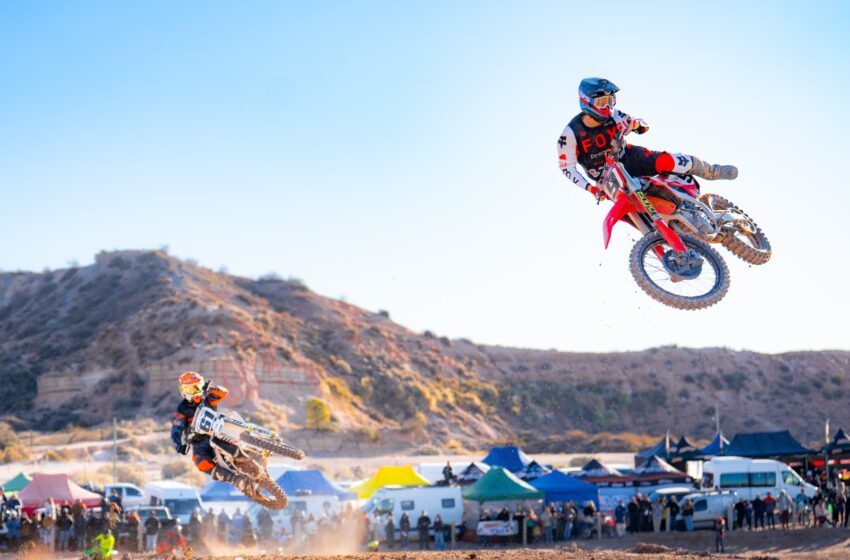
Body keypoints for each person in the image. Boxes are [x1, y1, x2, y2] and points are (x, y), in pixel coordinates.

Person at [557, 77, 738, 202]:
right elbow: (567, 168)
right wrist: (590, 189)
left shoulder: (616, 115)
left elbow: (643, 126)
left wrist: (634, 124)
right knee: (628, 205)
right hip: (608, 177)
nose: (608, 107)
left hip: (628, 156)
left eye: (611, 101)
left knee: (666, 160)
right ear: (586, 101)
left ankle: (710, 171)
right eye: (602, 102)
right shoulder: (570, 134)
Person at [170, 371, 247, 487]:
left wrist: (212, 389)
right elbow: (176, 428)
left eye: (197, 387)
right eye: (190, 390)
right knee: (200, 462)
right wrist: (178, 445)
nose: (194, 392)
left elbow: (223, 393)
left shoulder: (207, 397)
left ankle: (253, 442)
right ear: (183, 391)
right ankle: (235, 480)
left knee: (233, 424)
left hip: (217, 430)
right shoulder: (182, 408)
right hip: (198, 440)